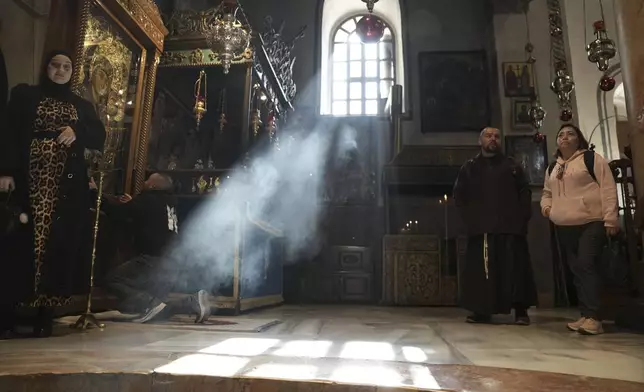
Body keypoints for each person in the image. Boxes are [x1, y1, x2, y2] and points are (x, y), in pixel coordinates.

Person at [0, 50, 106, 338]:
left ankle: (44, 315)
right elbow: (8, 131)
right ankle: (8, 313)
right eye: (55, 65)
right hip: (27, 181)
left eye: (67, 66)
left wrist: (77, 130)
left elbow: (100, 135)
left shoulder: (81, 106)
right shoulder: (25, 95)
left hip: (64, 188)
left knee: (56, 246)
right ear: (46, 67)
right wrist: (6, 170)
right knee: (17, 242)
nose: (60, 70)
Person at [97, 173, 211, 324]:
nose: (144, 182)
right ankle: (192, 302)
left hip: (153, 259)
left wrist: (95, 194)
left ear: (153, 185)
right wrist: (134, 204)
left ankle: (150, 302)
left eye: (147, 180)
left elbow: (120, 211)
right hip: (171, 262)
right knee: (159, 308)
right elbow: (149, 215)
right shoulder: (169, 202)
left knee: (113, 279)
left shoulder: (149, 199)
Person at [453, 127, 537, 325]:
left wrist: (522, 217)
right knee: (482, 271)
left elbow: (524, 192)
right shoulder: (469, 167)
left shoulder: (513, 166)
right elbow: (459, 196)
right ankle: (481, 311)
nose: (493, 139)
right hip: (481, 228)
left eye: (497, 136)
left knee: (515, 269)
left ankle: (520, 311)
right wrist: (470, 220)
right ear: (480, 140)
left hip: (510, 227)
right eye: (488, 136)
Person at [541, 124, 619, 335]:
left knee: (587, 265)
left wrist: (611, 219)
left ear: (579, 139)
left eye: (570, 134)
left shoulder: (591, 159)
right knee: (576, 271)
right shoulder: (552, 167)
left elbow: (608, 187)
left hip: (591, 221)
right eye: (560, 135)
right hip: (564, 225)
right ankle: (585, 314)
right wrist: (548, 209)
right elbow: (547, 193)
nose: (564, 137)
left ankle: (595, 317)